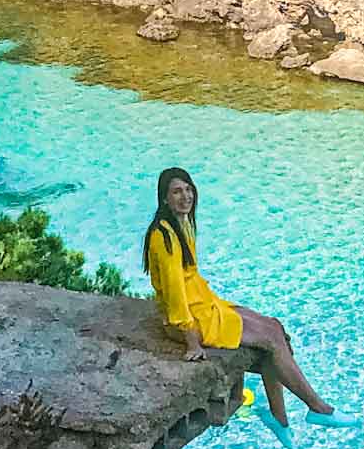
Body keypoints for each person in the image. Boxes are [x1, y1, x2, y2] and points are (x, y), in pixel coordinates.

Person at [143, 167, 335, 431]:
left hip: (204, 304)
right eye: (176, 192)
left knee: (274, 327)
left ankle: (280, 419)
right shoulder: (163, 237)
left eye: (188, 190)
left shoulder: (181, 224)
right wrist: (191, 342)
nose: (185, 197)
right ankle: (317, 409)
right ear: (164, 198)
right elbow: (175, 294)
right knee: (269, 340)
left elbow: (190, 283)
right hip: (191, 319)